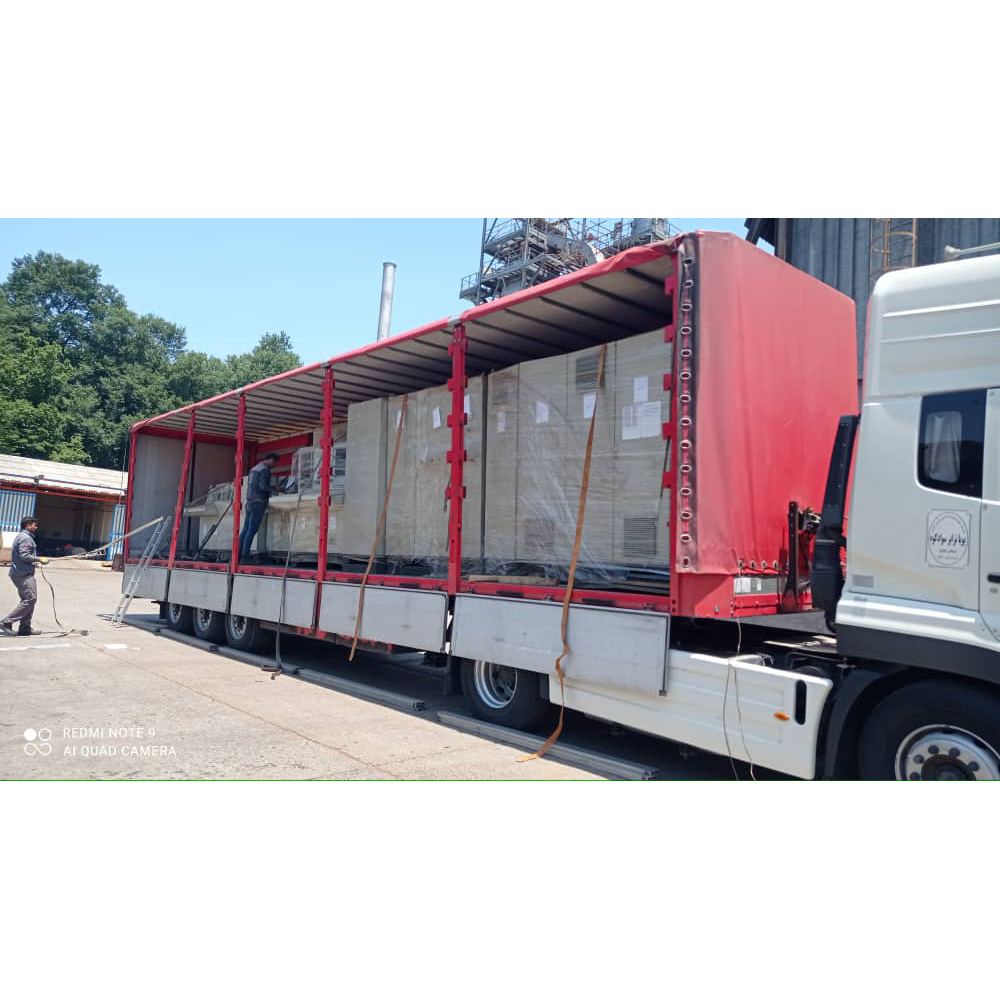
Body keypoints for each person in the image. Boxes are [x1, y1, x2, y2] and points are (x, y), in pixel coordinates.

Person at [1, 516, 48, 637]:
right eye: (34, 525)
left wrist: (35, 561)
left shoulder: (24, 537)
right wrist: (39, 559)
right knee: (30, 599)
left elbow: (24, 556)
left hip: (22, 573)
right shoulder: (25, 538)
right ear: (27, 525)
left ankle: (25, 628)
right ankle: (6, 622)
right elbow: (24, 555)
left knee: (28, 600)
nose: (36, 527)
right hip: (23, 575)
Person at [238, 452, 279, 560]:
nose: (274, 465)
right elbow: (263, 486)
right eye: (275, 462)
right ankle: (245, 555)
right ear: (271, 459)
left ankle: (238, 555)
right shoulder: (265, 470)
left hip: (250, 502)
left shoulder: (254, 469)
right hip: (258, 502)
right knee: (252, 530)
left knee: (246, 529)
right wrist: (274, 489)